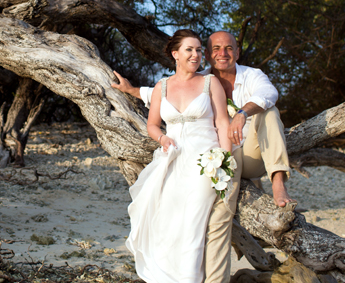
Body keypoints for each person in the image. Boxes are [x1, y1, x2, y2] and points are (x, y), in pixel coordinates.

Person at [125, 29, 241, 283]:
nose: (196, 55)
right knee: (164, 221)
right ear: (175, 54)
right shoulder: (161, 86)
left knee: (192, 223)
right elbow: (152, 124)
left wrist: (224, 166)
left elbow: (222, 122)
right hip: (172, 159)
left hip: (205, 162)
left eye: (200, 50)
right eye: (190, 50)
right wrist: (162, 138)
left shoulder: (209, 83)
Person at [113, 30, 294, 210]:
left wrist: (242, 114)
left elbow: (269, 93)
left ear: (237, 53)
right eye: (216, 48)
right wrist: (131, 90)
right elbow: (167, 94)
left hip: (249, 154)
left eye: (229, 48)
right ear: (207, 54)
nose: (223, 54)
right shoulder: (202, 80)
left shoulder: (252, 76)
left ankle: (278, 183)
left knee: (269, 111)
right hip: (217, 155)